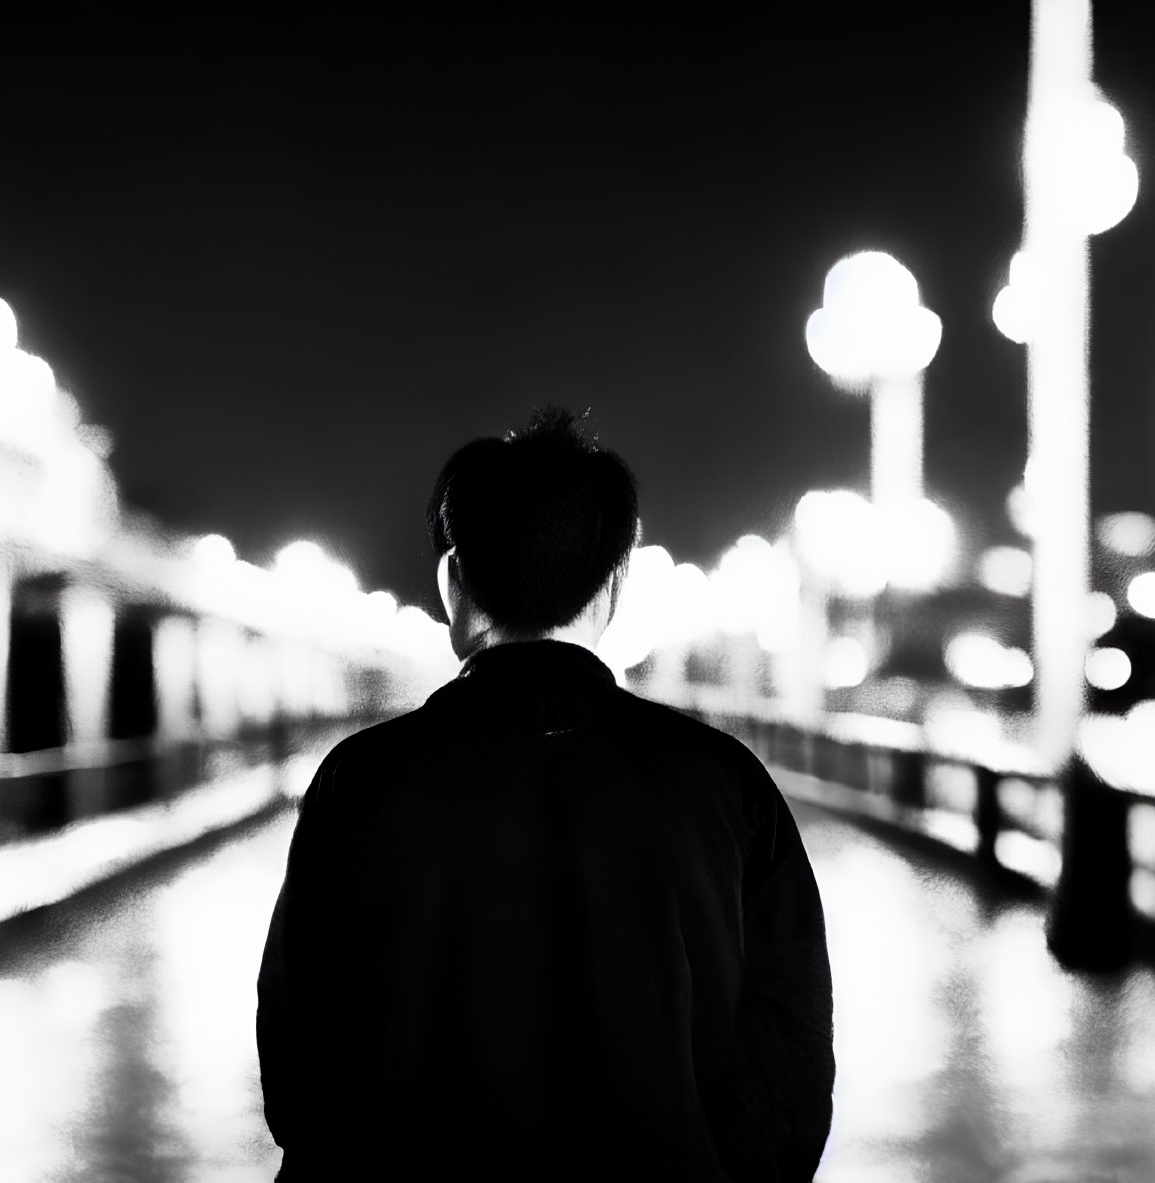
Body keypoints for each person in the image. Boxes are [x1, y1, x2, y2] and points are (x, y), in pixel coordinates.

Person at [257, 407, 834, 1182]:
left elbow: (300, 1062)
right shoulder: (724, 783)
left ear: (453, 582)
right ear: (616, 583)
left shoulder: (361, 780)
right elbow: (790, 1057)